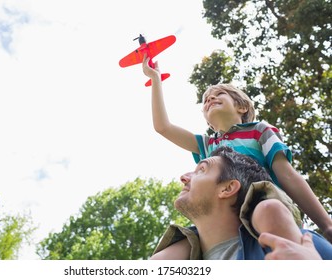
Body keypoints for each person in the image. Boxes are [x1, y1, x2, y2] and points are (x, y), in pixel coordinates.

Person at [142, 55, 332, 257]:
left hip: (262, 201)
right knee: (164, 257)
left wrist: (326, 224)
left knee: (268, 212)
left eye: (219, 94)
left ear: (242, 107)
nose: (210, 99)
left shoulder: (259, 131)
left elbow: (287, 175)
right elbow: (163, 127)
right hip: (219, 218)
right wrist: (156, 79)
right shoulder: (208, 145)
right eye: (206, 100)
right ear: (208, 120)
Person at [150, 146, 332, 260]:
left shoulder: (301, 245)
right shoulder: (173, 260)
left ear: (227, 188)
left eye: (201, 170)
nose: (184, 177)